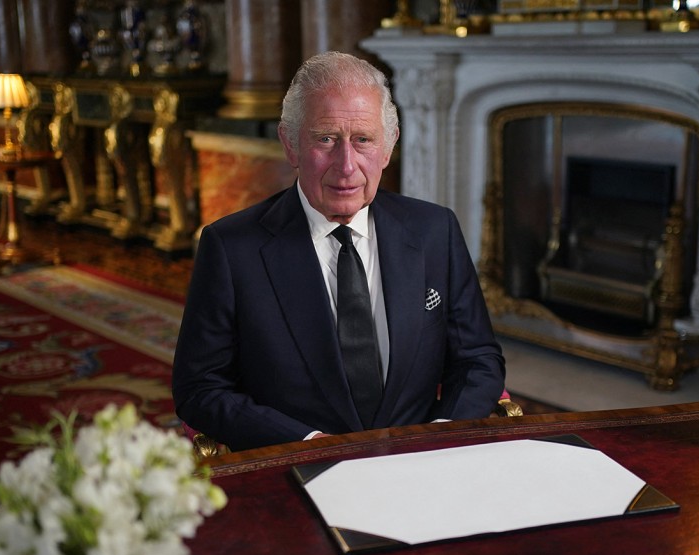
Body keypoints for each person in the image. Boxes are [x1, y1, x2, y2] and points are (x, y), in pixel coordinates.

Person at [172, 51, 506, 451]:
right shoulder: (231, 248)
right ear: (291, 145)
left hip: (422, 463)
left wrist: (440, 434)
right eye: (325, 139)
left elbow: (477, 359)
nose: (346, 165)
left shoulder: (436, 231)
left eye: (363, 140)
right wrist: (307, 443)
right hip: (296, 468)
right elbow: (200, 388)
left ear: (388, 146)